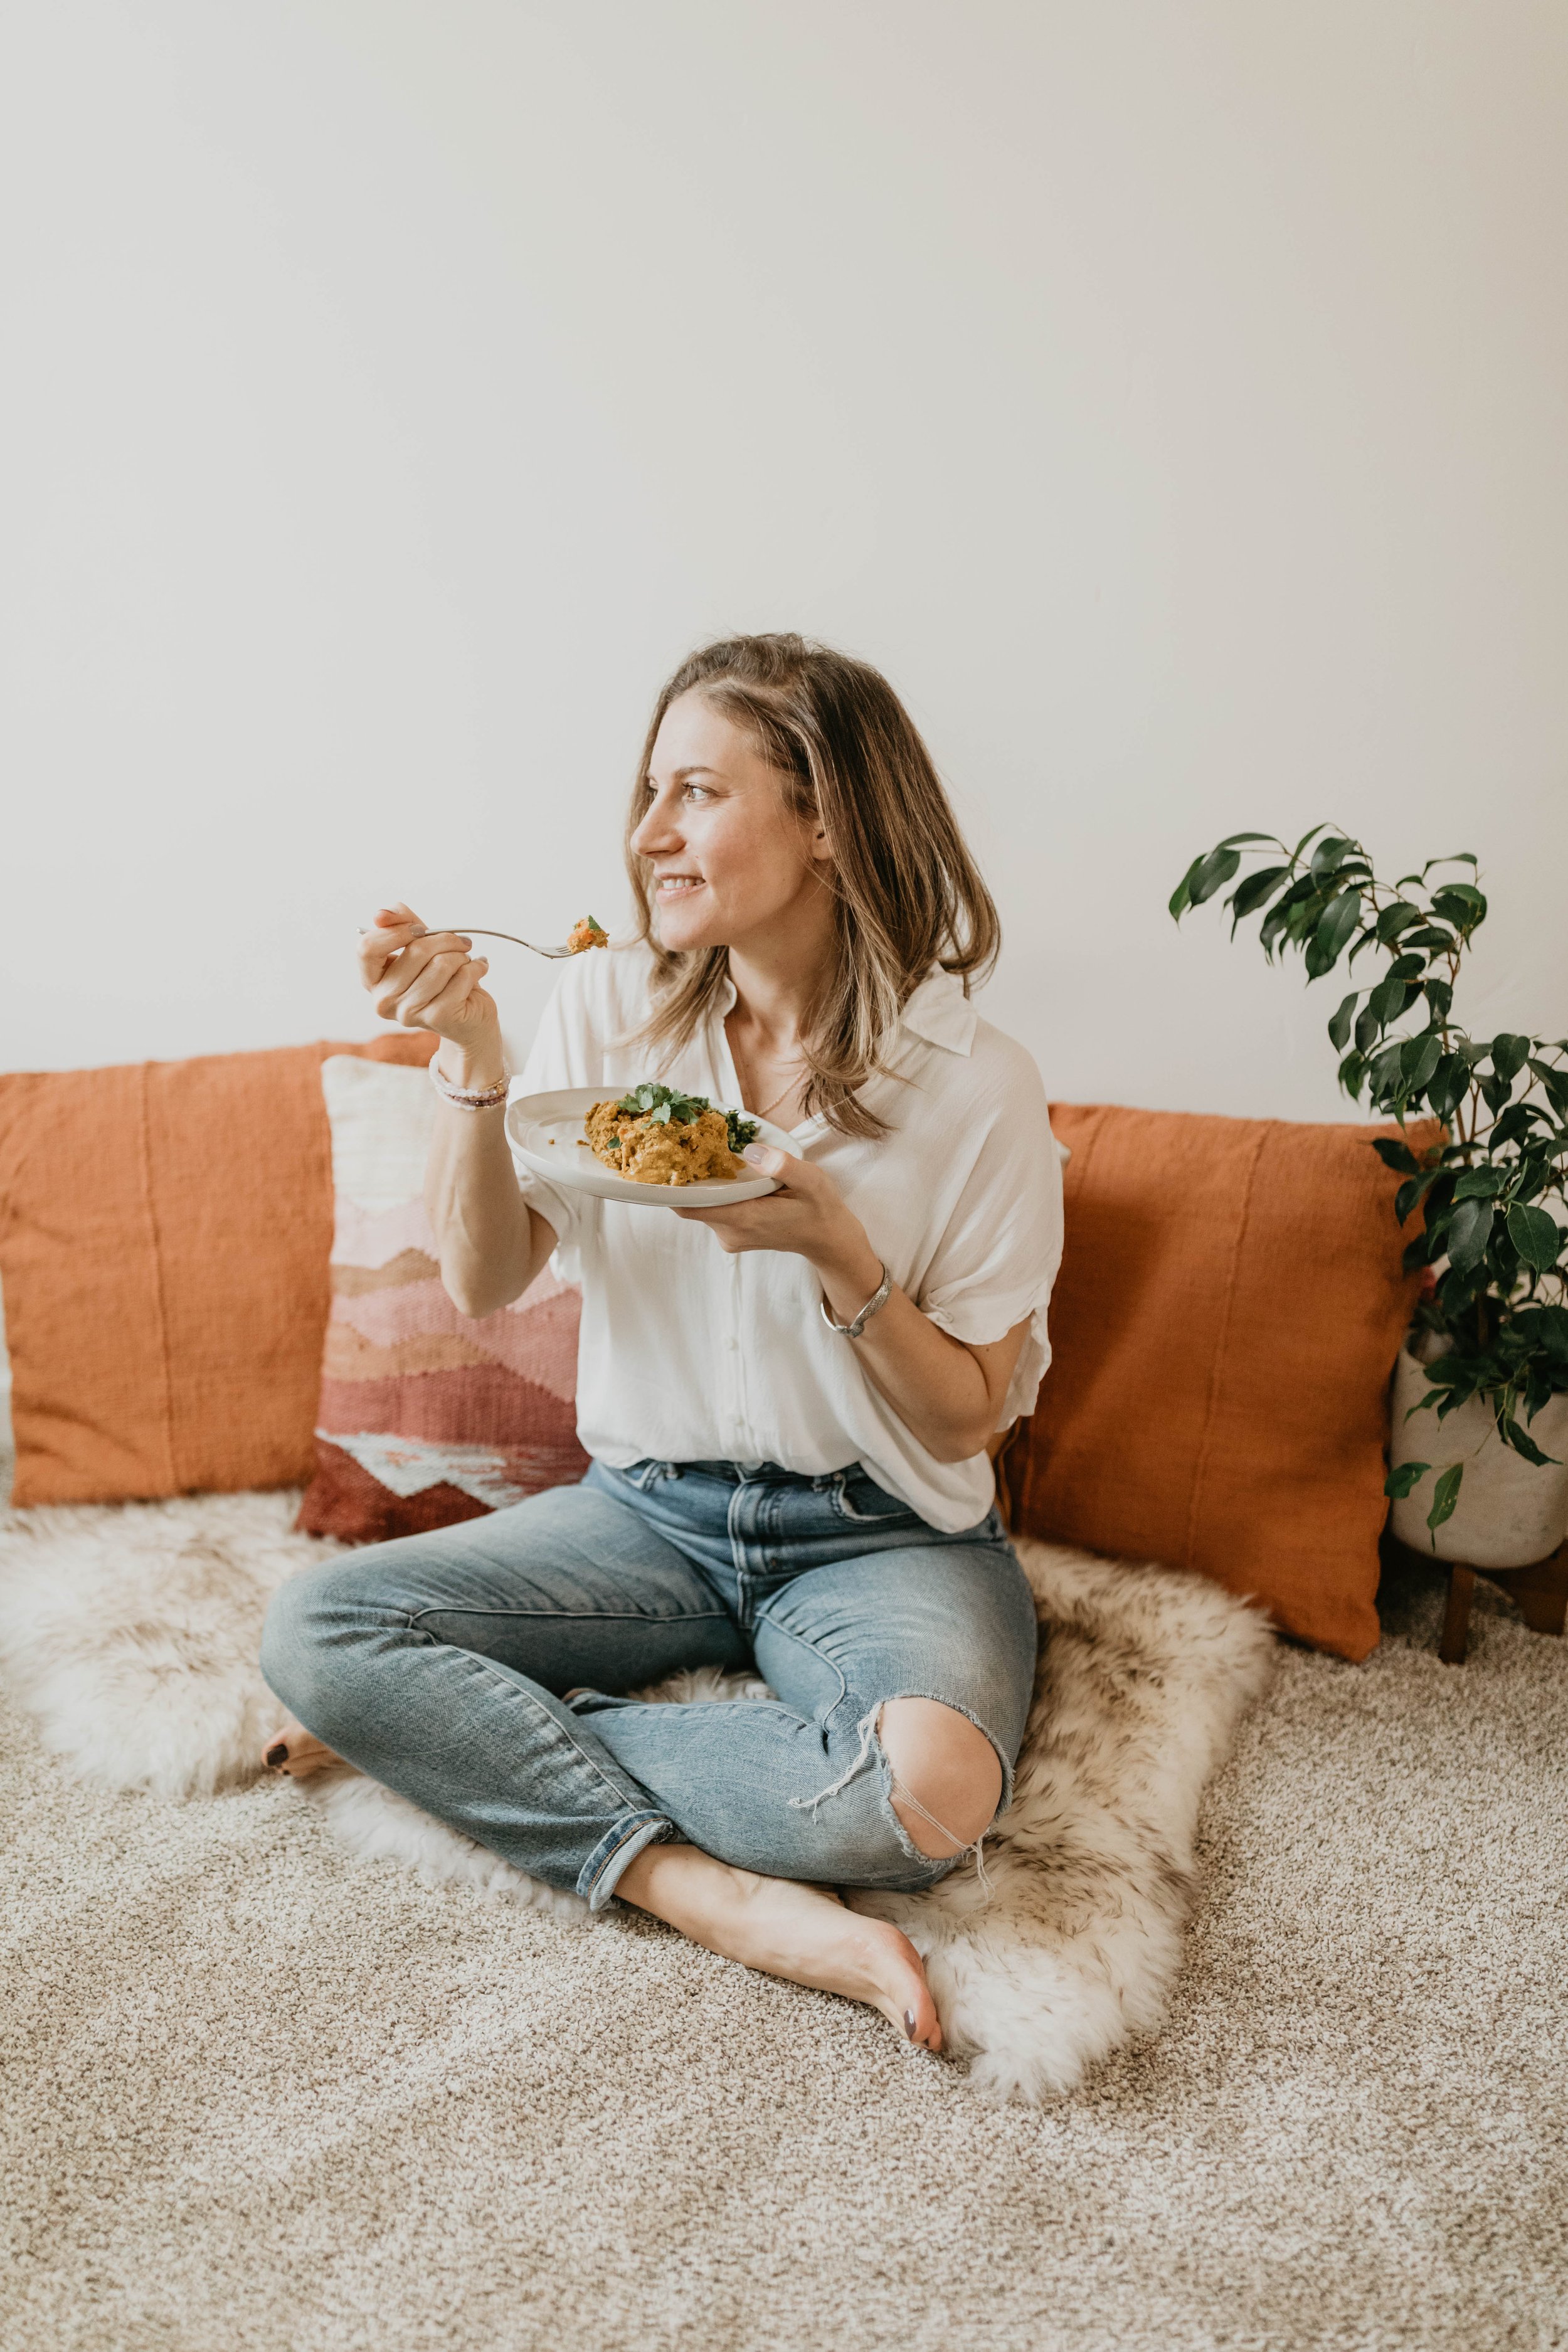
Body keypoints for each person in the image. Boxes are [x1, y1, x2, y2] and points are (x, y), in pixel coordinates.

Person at [261, 633, 1063, 2050]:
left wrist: (836, 1251)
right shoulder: (606, 1007)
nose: (647, 837)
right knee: (317, 1627)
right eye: (648, 793)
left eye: (694, 793)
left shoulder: (974, 1084)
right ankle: (693, 1887)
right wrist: (473, 1065)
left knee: (929, 1795)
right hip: (647, 1519)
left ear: (824, 816)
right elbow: (488, 1275)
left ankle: (457, 1735)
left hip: (886, 1536)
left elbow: (961, 1425)